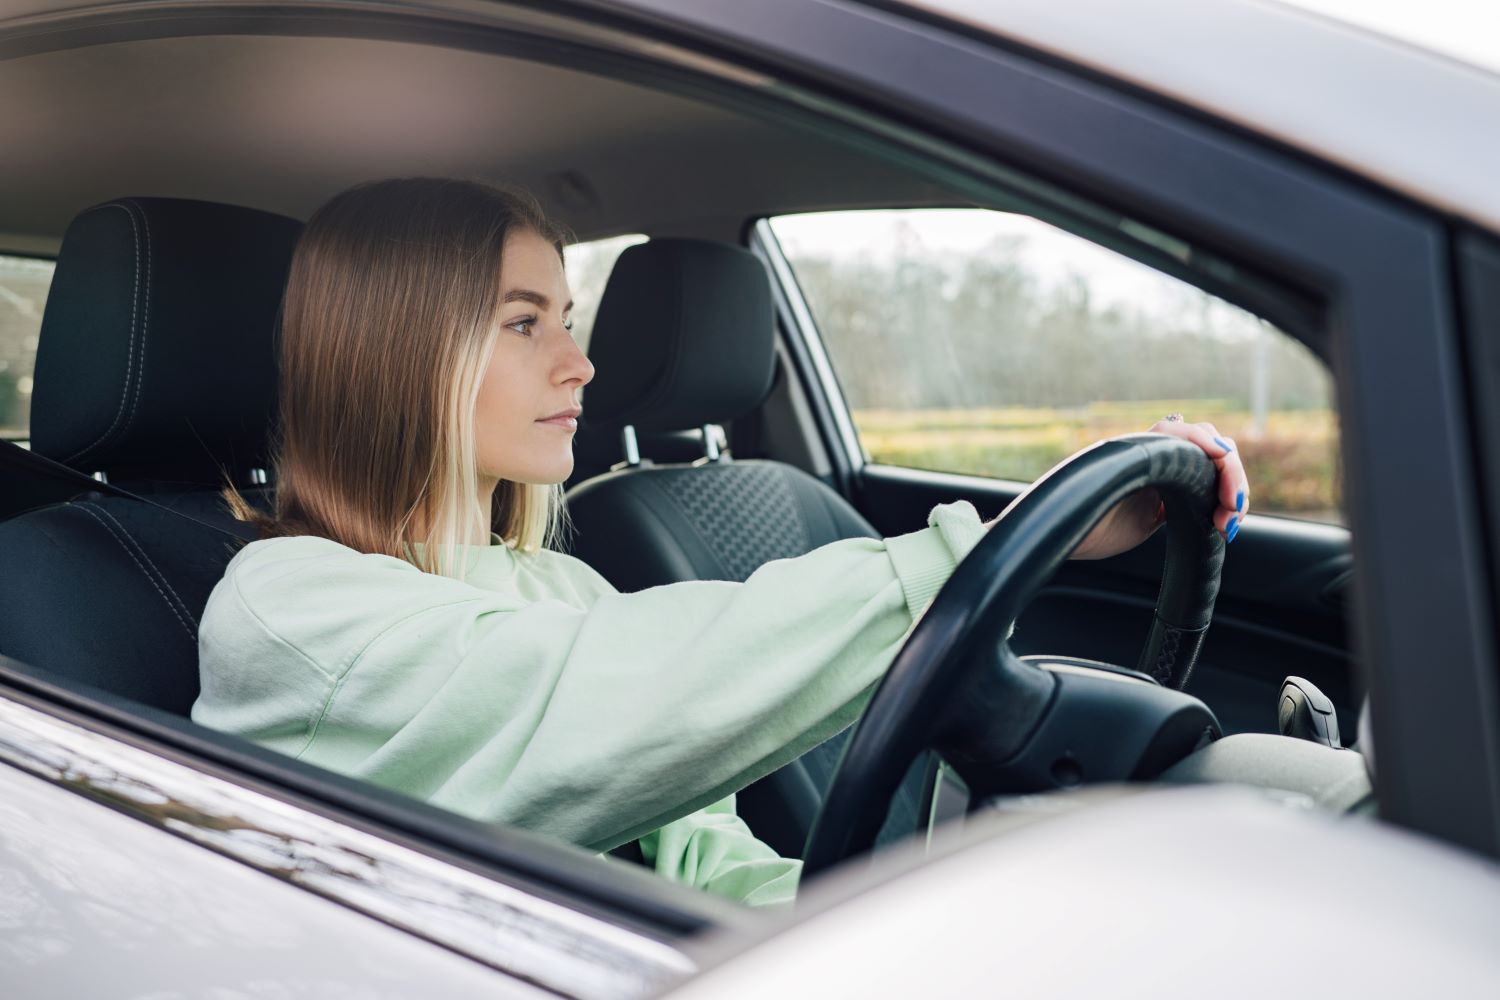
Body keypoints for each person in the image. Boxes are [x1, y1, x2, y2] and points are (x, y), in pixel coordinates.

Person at [192, 177, 1250, 908]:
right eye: (525, 322)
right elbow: (609, 704)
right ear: (396, 351)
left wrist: (934, 917)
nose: (581, 363)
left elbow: (702, 857)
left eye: (568, 315)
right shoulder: (286, 607)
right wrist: (992, 547)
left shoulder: (554, 582)